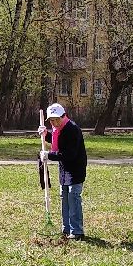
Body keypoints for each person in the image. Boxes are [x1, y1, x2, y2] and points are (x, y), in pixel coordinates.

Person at [39, 101, 87, 239]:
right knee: (64, 197)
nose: (54, 123)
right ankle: (66, 229)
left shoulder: (72, 129)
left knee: (73, 198)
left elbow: (68, 154)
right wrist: (45, 134)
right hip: (64, 170)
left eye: (56, 119)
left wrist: (49, 155)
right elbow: (57, 141)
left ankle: (77, 231)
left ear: (63, 116)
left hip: (75, 169)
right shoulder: (58, 129)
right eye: (51, 120)